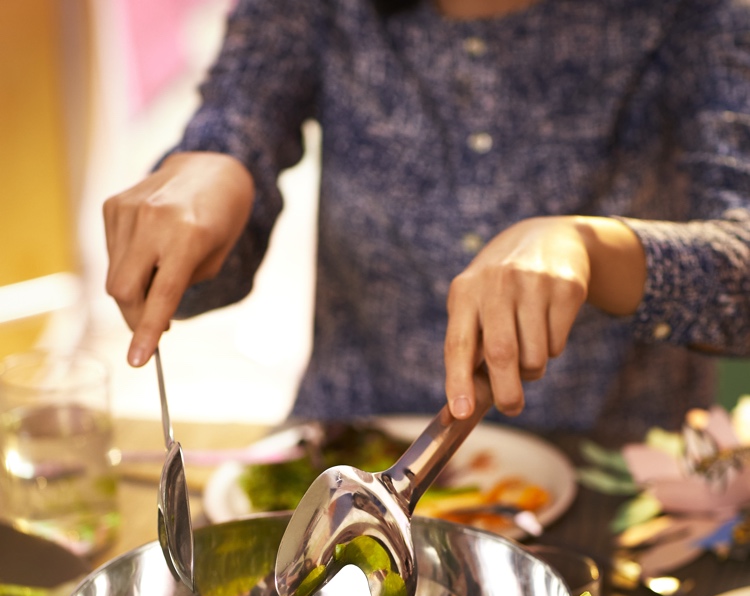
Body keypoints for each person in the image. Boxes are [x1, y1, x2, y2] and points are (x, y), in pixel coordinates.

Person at [103, 0, 750, 441]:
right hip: (345, 472)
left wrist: (593, 251)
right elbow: (238, 119)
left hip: (613, 494)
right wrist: (210, 171)